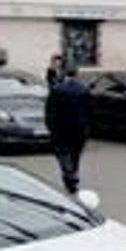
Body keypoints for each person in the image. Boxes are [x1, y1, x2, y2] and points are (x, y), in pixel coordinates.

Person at [44, 64, 92, 194]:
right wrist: (88, 125)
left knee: (62, 152)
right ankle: (72, 175)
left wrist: (50, 126)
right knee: (75, 153)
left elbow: (50, 110)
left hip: (61, 127)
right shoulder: (84, 89)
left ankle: (70, 174)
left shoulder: (57, 89)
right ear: (77, 73)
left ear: (64, 74)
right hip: (80, 126)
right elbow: (90, 109)